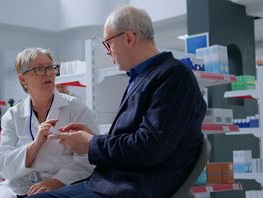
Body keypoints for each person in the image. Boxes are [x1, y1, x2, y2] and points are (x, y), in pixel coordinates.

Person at [29, 6, 207, 198]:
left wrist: (91, 145)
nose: (107, 52)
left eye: (108, 44)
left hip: (133, 189)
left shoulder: (173, 76)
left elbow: (150, 148)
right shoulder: (140, 78)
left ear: (129, 38)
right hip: (111, 183)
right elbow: (135, 138)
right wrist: (91, 138)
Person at [0, 48, 97, 198]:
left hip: (65, 184)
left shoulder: (75, 108)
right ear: (23, 79)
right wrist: (35, 145)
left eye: (50, 67)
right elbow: (2, 164)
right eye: (39, 69)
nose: (48, 73)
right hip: (19, 186)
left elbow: (89, 157)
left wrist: (57, 181)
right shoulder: (13, 115)